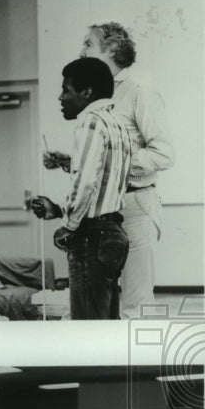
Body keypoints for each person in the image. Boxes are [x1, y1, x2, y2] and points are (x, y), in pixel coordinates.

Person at [58, 23, 173, 319]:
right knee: (103, 304)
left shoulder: (139, 92)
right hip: (107, 210)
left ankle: (136, 365)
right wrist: (72, 159)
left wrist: (116, 160)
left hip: (135, 204)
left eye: (88, 44)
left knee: (133, 304)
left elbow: (164, 153)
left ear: (110, 49)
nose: (81, 50)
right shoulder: (99, 94)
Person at [32, 57, 132, 319]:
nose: (60, 97)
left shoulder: (90, 122)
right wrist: (67, 161)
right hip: (113, 232)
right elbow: (104, 176)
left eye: (66, 89)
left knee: (88, 329)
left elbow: (87, 181)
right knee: (106, 327)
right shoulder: (117, 123)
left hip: (91, 236)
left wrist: (69, 225)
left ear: (87, 92)